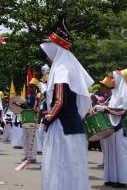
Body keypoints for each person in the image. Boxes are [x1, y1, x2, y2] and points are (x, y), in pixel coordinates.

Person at [40, 17, 94, 190]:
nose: (48, 56)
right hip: (75, 126)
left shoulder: (62, 68)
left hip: (62, 127)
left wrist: (46, 119)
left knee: (59, 167)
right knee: (74, 169)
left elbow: (60, 101)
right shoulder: (70, 67)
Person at [100, 70, 127, 188]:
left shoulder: (125, 93)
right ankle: (111, 178)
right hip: (112, 126)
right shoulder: (115, 94)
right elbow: (113, 108)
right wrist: (104, 107)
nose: (113, 81)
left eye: (116, 78)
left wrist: (106, 109)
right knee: (111, 154)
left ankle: (122, 180)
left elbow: (122, 111)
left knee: (121, 154)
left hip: (121, 126)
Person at [21, 77, 40, 163]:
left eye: (32, 86)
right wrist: (19, 105)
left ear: (36, 87)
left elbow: (35, 107)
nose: (30, 87)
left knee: (31, 138)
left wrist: (27, 107)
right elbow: (26, 105)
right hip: (26, 118)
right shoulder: (29, 95)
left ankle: (33, 157)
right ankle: (26, 155)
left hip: (32, 118)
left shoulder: (37, 96)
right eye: (30, 86)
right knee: (24, 138)